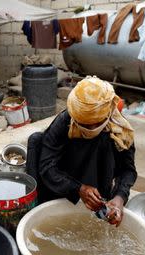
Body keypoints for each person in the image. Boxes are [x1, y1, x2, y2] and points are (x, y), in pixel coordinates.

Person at [26, 76, 137, 227]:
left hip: (97, 186)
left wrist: (119, 198)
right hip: (63, 183)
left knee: (103, 139)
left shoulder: (119, 129)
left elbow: (128, 170)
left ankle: (99, 202)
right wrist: (78, 188)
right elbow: (47, 166)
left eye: (95, 124)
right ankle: (36, 209)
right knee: (36, 140)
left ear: (107, 114)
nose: (90, 130)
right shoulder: (65, 120)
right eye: (84, 125)